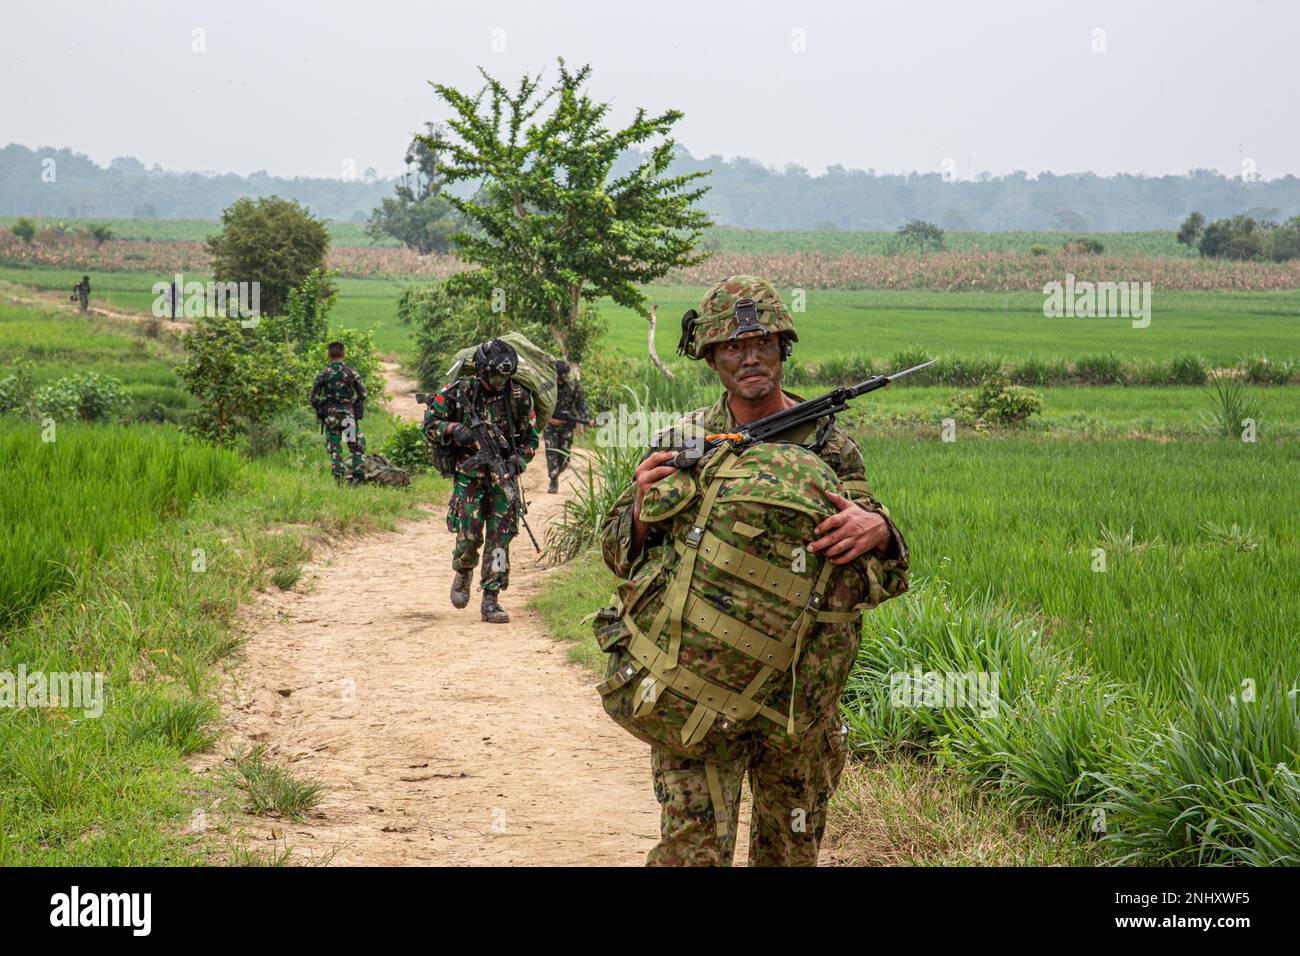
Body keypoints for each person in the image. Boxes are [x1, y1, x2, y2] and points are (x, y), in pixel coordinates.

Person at [599, 275, 910, 866]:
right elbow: (618, 555)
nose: (750, 358)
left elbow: (884, 569)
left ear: (782, 348)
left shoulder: (829, 447)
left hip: (797, 695)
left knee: (789, 852)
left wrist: (880, 529)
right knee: (690, 853)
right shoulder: (684, 440)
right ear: (713, 358)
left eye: (762, 343)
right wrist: (639, 511)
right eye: (733, 348)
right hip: (694, 684)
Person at [422, 338, 539, 624]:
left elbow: (530, 440)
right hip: (469, 475)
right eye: (495, 375)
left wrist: (515, 462)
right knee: (470, 532)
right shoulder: (458, 392)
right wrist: (454, 430)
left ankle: (491, 598)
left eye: (505, 376)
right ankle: (463, 570)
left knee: (500, 538)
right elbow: (429, 425)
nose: (500, 381)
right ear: (482, 371)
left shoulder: (519, 397)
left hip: (503, 478)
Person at [310, 341, 367, 483]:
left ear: (329, 355)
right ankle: (358, 475)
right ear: (343, 354)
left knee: (335, 447)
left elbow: (313, 397)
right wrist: (354, 407)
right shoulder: (351, 372)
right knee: (355, 445)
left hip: (331, 416)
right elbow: (363, 394)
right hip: (347, 415)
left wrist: (321, 408)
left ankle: (338, 477)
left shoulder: (324, 374)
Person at [543, 360, 594, 494]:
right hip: (551, 426)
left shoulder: (572, 386)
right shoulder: (548, 387)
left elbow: (580, 403)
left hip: (566, 425)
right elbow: (539, 406)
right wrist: (550, 420)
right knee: (552, 453)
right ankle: (553, 480)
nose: (566, 377)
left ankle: (556, 473)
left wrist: (586, 419)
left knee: (565, 458)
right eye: (563, 374)